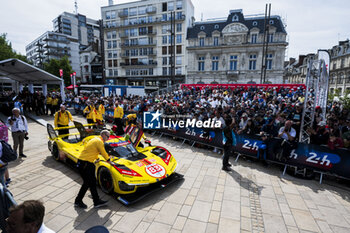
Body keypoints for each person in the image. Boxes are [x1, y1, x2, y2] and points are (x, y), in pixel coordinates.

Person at [74, 130, 111, 209]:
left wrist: (96, 158)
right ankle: (78, 201)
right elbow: (103, 152)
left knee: (92, 183)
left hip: (85, 163)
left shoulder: (95, 139)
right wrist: (109, 160)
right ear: (103, 135)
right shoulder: (99, 141)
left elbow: (91, 151)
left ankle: (96, 201)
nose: (108, 138)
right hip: (85, 164)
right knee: (87, 183)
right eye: (108, 136)